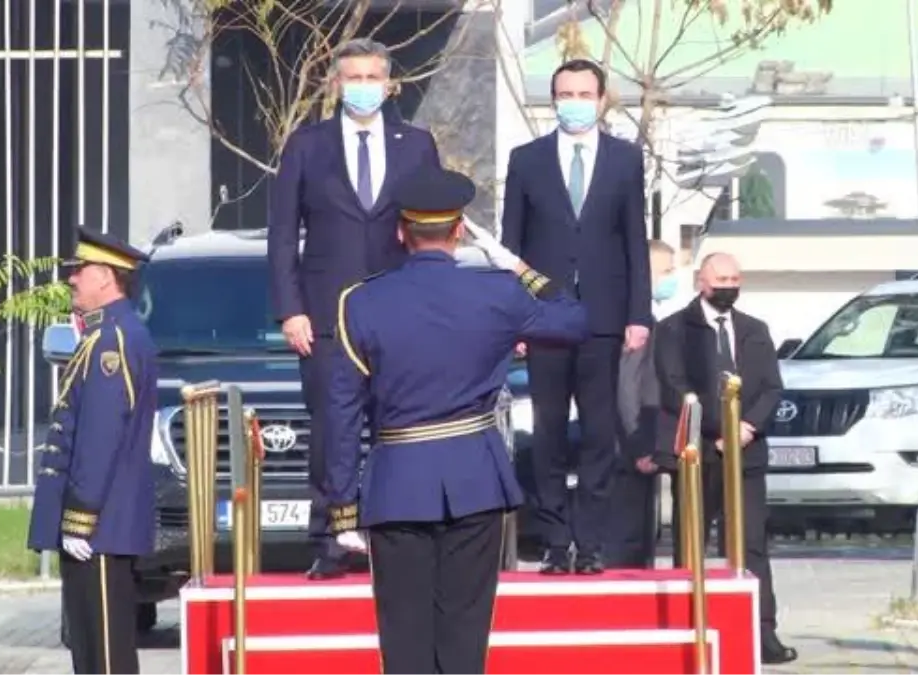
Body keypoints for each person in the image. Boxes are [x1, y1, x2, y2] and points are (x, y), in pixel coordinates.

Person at [322, 169, 589, 674]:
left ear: (401, 231)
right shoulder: (498, 293)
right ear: (460, 229)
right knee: (465, 635)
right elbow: (574, 318)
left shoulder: (360, 301)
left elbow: (341, 413)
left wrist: (341, 507)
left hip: (397, 484)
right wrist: (516, 266)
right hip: (475, 478)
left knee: (404, 638)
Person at [267, 37, 442, 580]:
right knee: (333, 431)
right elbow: (281, 236)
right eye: (352, 79)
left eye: (372, 78)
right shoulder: (307, 145)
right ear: (336, 84)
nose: (362, 87)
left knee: (398, 428)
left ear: (389, 84)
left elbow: (431, 228)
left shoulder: (415, 144)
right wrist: (290, 309)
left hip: (398, 313)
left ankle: (395, 537)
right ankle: (330, 541)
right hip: (325, 317)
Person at [500, 58, 653, 575]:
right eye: (565, 93)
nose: (574, 102)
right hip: (544, 317)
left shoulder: (626, 160)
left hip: (605, 318)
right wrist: (514, 318)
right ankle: (554, 542)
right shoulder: (527, 160)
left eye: (584, 93)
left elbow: (635, 240)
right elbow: (511, 247)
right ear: (553, 99)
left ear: (602, 98)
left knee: (597, 433)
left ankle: (590, 544)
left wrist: (639, 314)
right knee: (546, 432)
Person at [652, 252, 798, 665]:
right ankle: (688, 626)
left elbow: (771, 387)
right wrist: (715, 432)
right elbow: (674, 387)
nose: (728, 286)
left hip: (746, 453)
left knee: (752, 546)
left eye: (735, 278)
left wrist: (746, 427)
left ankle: (762, 633)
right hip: (699, 455)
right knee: (691, 544)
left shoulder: (755, 330)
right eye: (721, 279)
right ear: (701, 281)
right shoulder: (673, 329)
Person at [27, 226, 158, 675]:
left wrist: (80, 518)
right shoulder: (106, 336)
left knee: (103, 653)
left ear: (106, 276)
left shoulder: (112, 343)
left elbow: (99, 438)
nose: (72, 279)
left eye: (80, 270)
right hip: (102, 525)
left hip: (100, 526)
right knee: (91, 648)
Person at [611, 239, 678, 568]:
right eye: (666, 270)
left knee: (640, 536)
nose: (672, 277)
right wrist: (639, 445)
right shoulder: (636, 323)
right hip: (629, 447)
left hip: (634, 443)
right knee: (628, 541)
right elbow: (627, 385)